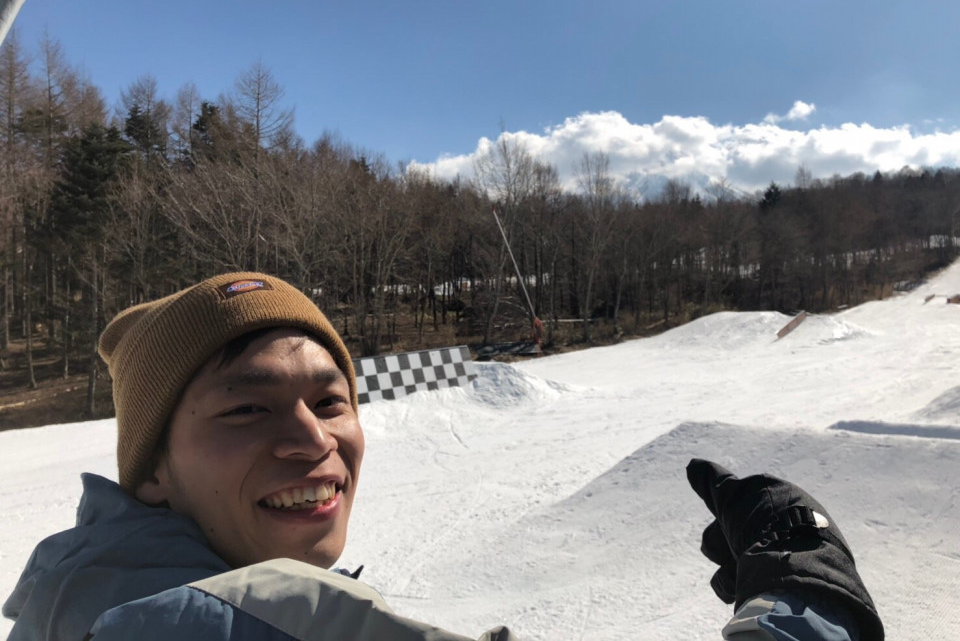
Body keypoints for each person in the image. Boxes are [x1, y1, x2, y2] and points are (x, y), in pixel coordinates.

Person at [2, 272, 884, 640]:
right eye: (245, 407)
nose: (313, 440)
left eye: (331, 400)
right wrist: (807, 604)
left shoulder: (86, 599)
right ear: (152, 469)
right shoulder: (227, 620)